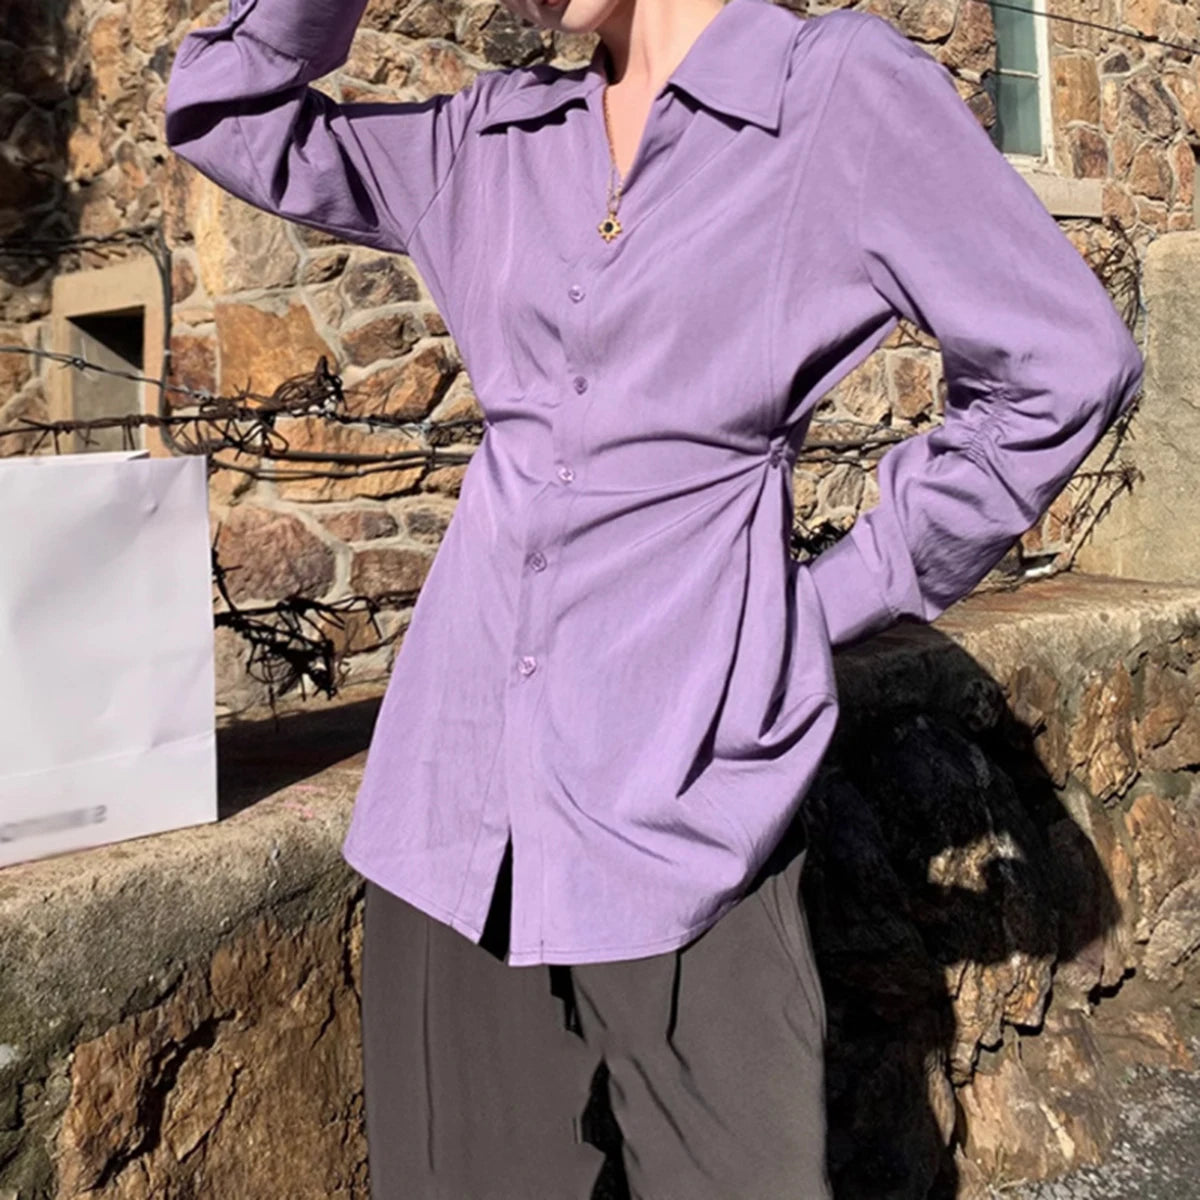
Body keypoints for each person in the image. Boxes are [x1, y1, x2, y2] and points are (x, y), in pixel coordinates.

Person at [164, 0, 1143, 1195]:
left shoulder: (832, 91)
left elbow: (1063, 365)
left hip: (685, 804)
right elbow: (225, 111)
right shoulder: (497, 134)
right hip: (453, 807)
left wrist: (830, 601)